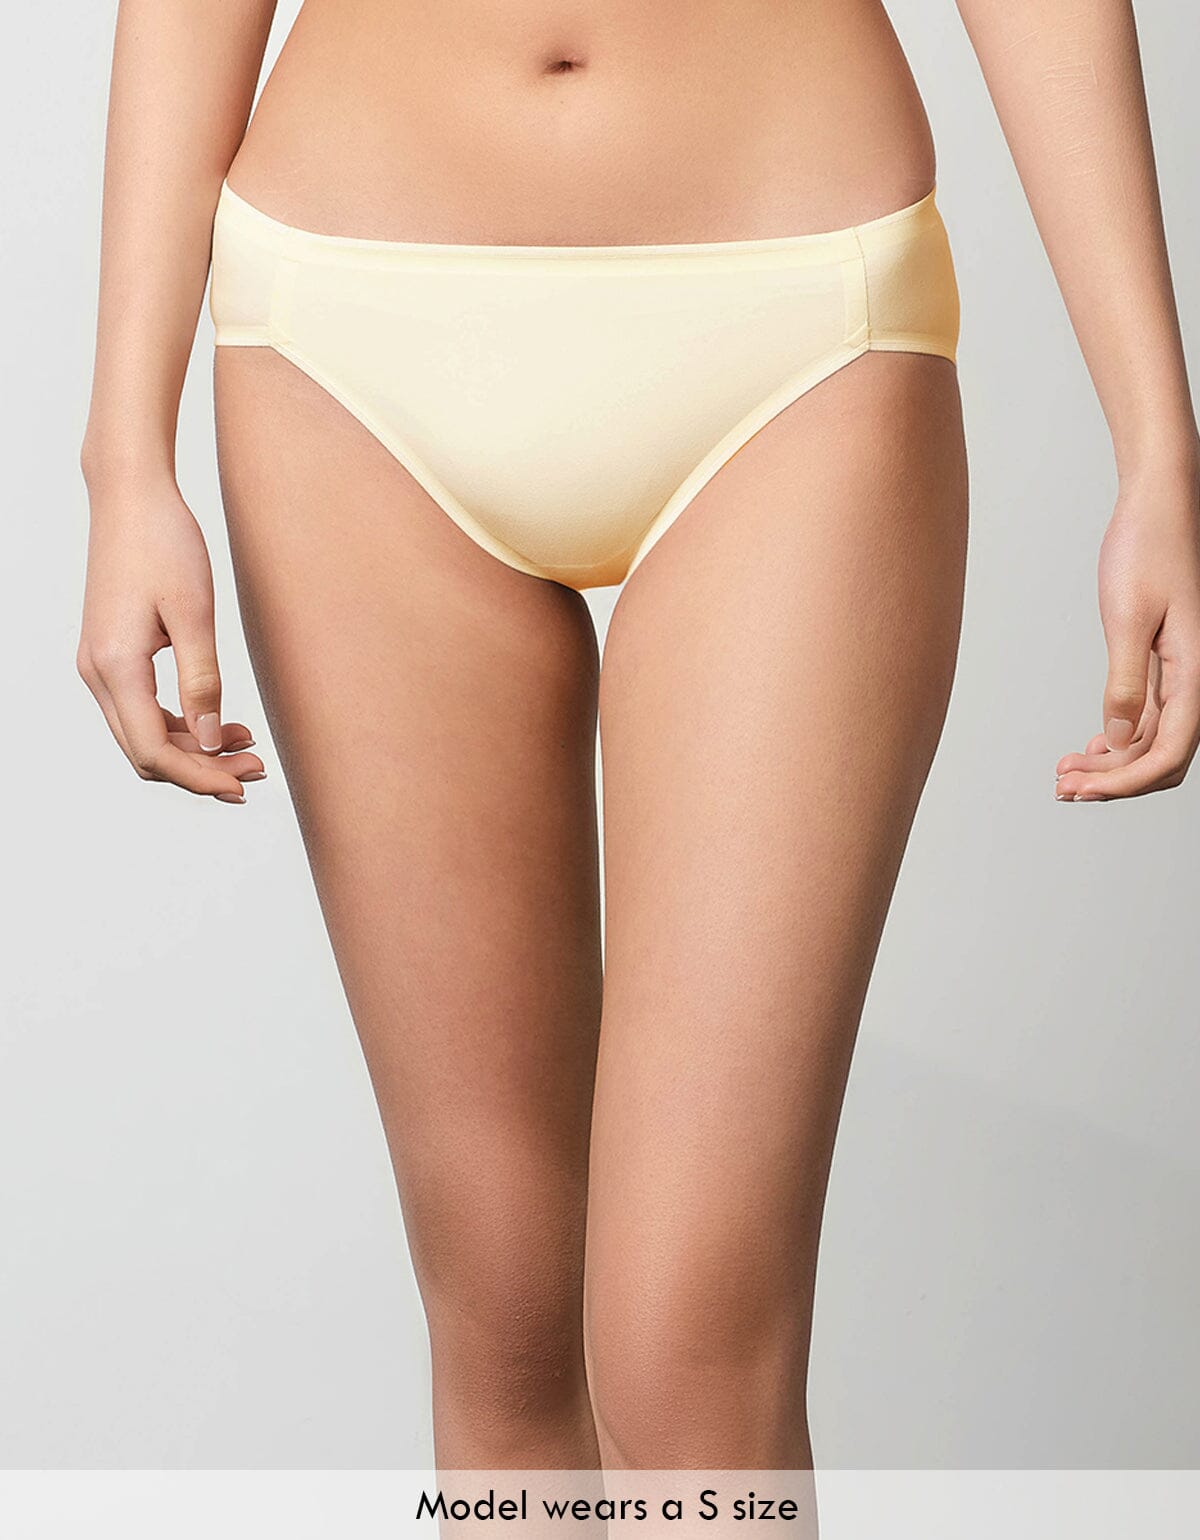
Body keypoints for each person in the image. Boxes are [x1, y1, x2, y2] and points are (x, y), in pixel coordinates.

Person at [78, 0, 1199, 1473]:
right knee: (502, 1316)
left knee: (692, 1351)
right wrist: (124, 458)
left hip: (797, 318)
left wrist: (1157, 446)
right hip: (344, 332)